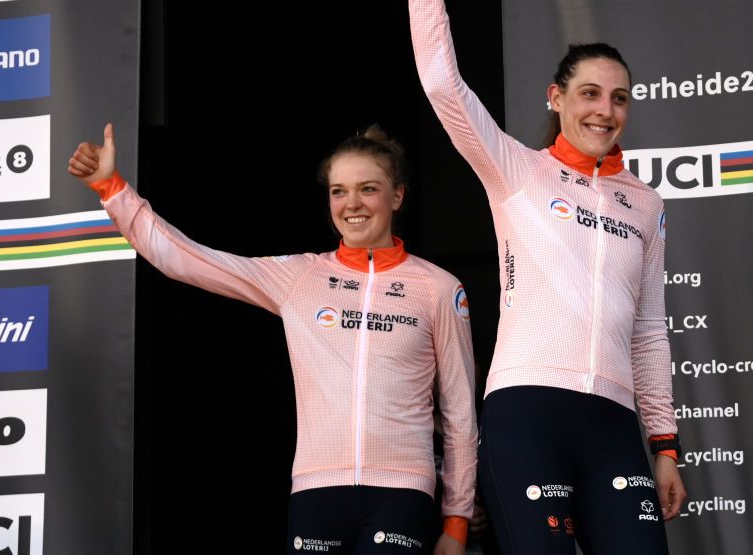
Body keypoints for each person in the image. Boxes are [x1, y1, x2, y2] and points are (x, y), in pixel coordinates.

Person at [375, 0, 686, 554]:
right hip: (527, 412)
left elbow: (650, 331)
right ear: (557, 96)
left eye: (620, 98)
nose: (605, 110)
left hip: (612, 423)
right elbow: (442, 86)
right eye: (589, 94)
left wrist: (663, 444)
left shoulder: (647, 203)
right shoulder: (517, 169)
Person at [69, 123, 477, 554]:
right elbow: (185, 259)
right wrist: (112, 188)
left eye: (368, 189)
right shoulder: (301, 277)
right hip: (317, 490)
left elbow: (459, 409)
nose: (351, 204)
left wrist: (457, 522)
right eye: (338, 191)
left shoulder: (437, 288)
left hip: (402, 492)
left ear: (397, 196)